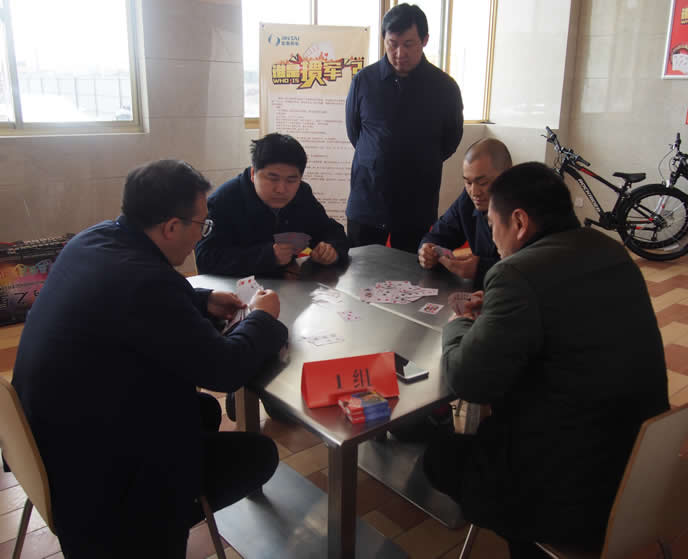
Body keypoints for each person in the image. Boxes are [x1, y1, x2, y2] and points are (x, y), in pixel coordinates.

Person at [9, 160, 289, 558]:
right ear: (172, 227)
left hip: (47, 436)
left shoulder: (93, 239)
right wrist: (262, 317)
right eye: (201, 225)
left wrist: (202, 300)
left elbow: (131, 298)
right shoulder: (146, 282)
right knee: (258, 455)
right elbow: (225, 369)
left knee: (204, 411)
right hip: (100, 481)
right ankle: (155, 529)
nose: (201, 235)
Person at [423, 162, 670, 558]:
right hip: (644, 465)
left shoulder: (516, 273)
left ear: (519, 222)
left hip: (570, 491)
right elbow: (569, 320)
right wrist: (502, 311)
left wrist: (459, 325)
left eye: (493, 224)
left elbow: (469, 380)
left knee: (440, 456)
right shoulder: (610, 249)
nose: (492, 238)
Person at [345, 3, 464, 253]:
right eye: (393, 44)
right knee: (360, 269)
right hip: (368, 201)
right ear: (384, 40)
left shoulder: (444, 88)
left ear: (425, 40)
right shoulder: (364, 81)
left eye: (409, 44)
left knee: (409, 272)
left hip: (416, 206)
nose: (400, 53)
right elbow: (354, 132)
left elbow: (450, 141)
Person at [195, 133, 349, 277]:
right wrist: (268, 256)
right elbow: (205, 258)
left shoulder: (302, 193)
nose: (281, 189)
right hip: (235, 290)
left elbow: (332, 231)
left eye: (291, 180)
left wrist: (331, 250)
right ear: (253, 174)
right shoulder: (224, 201)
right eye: (272, 178)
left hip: (291, 287)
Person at [418, 138, 511, 288]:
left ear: (507, 176)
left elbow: (529, 268)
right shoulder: (467, 201)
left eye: (483, 183)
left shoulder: (524, 210)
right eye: (468, 182)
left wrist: (481, 269)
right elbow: (438, 234)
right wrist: (427, 252)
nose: (474, 192)